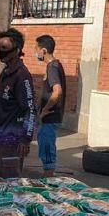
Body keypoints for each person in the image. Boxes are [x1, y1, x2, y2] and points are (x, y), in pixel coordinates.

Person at [0, 28, 37, 178]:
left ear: (17, 50)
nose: (1, 52)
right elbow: (2, 107)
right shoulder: (5, 73)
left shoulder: (22, 76)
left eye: (4, 48)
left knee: (9, 184)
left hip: (13, 141)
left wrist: (26, 138)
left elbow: (30, 109)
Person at [35, 34, 66, 177]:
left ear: (44, 50)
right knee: (45, 143)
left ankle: (48, 178)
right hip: (51, 116)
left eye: (37, 49)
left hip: (51, 116)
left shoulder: (52, 67)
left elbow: (57, 91)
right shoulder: (54, 66)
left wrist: (45, 111)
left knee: (47, 146)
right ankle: (47, 175)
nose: (36, 52)